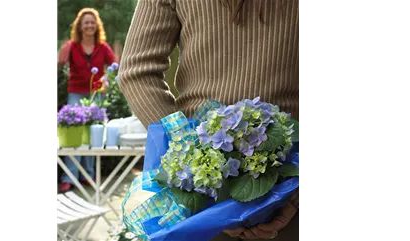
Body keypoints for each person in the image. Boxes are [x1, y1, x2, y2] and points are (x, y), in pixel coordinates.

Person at [118, 0, 298, 240]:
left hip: (205, 194)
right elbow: (137, 71)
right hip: (288, 176)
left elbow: (136, 71)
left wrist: (192, 161)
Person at [57, 8, 118, 192]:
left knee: (93, 135)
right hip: (76, 93)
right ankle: (69, 177)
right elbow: (60, 62)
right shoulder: (72, 45)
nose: (89, 25)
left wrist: (106, 80)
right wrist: (64, 49)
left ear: (96, 25)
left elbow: (115, 64)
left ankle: (88, 176)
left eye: (92, 22)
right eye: (86, 23)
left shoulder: (102, 47)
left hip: (95, 95)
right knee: (74, 135)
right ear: (80, 26)